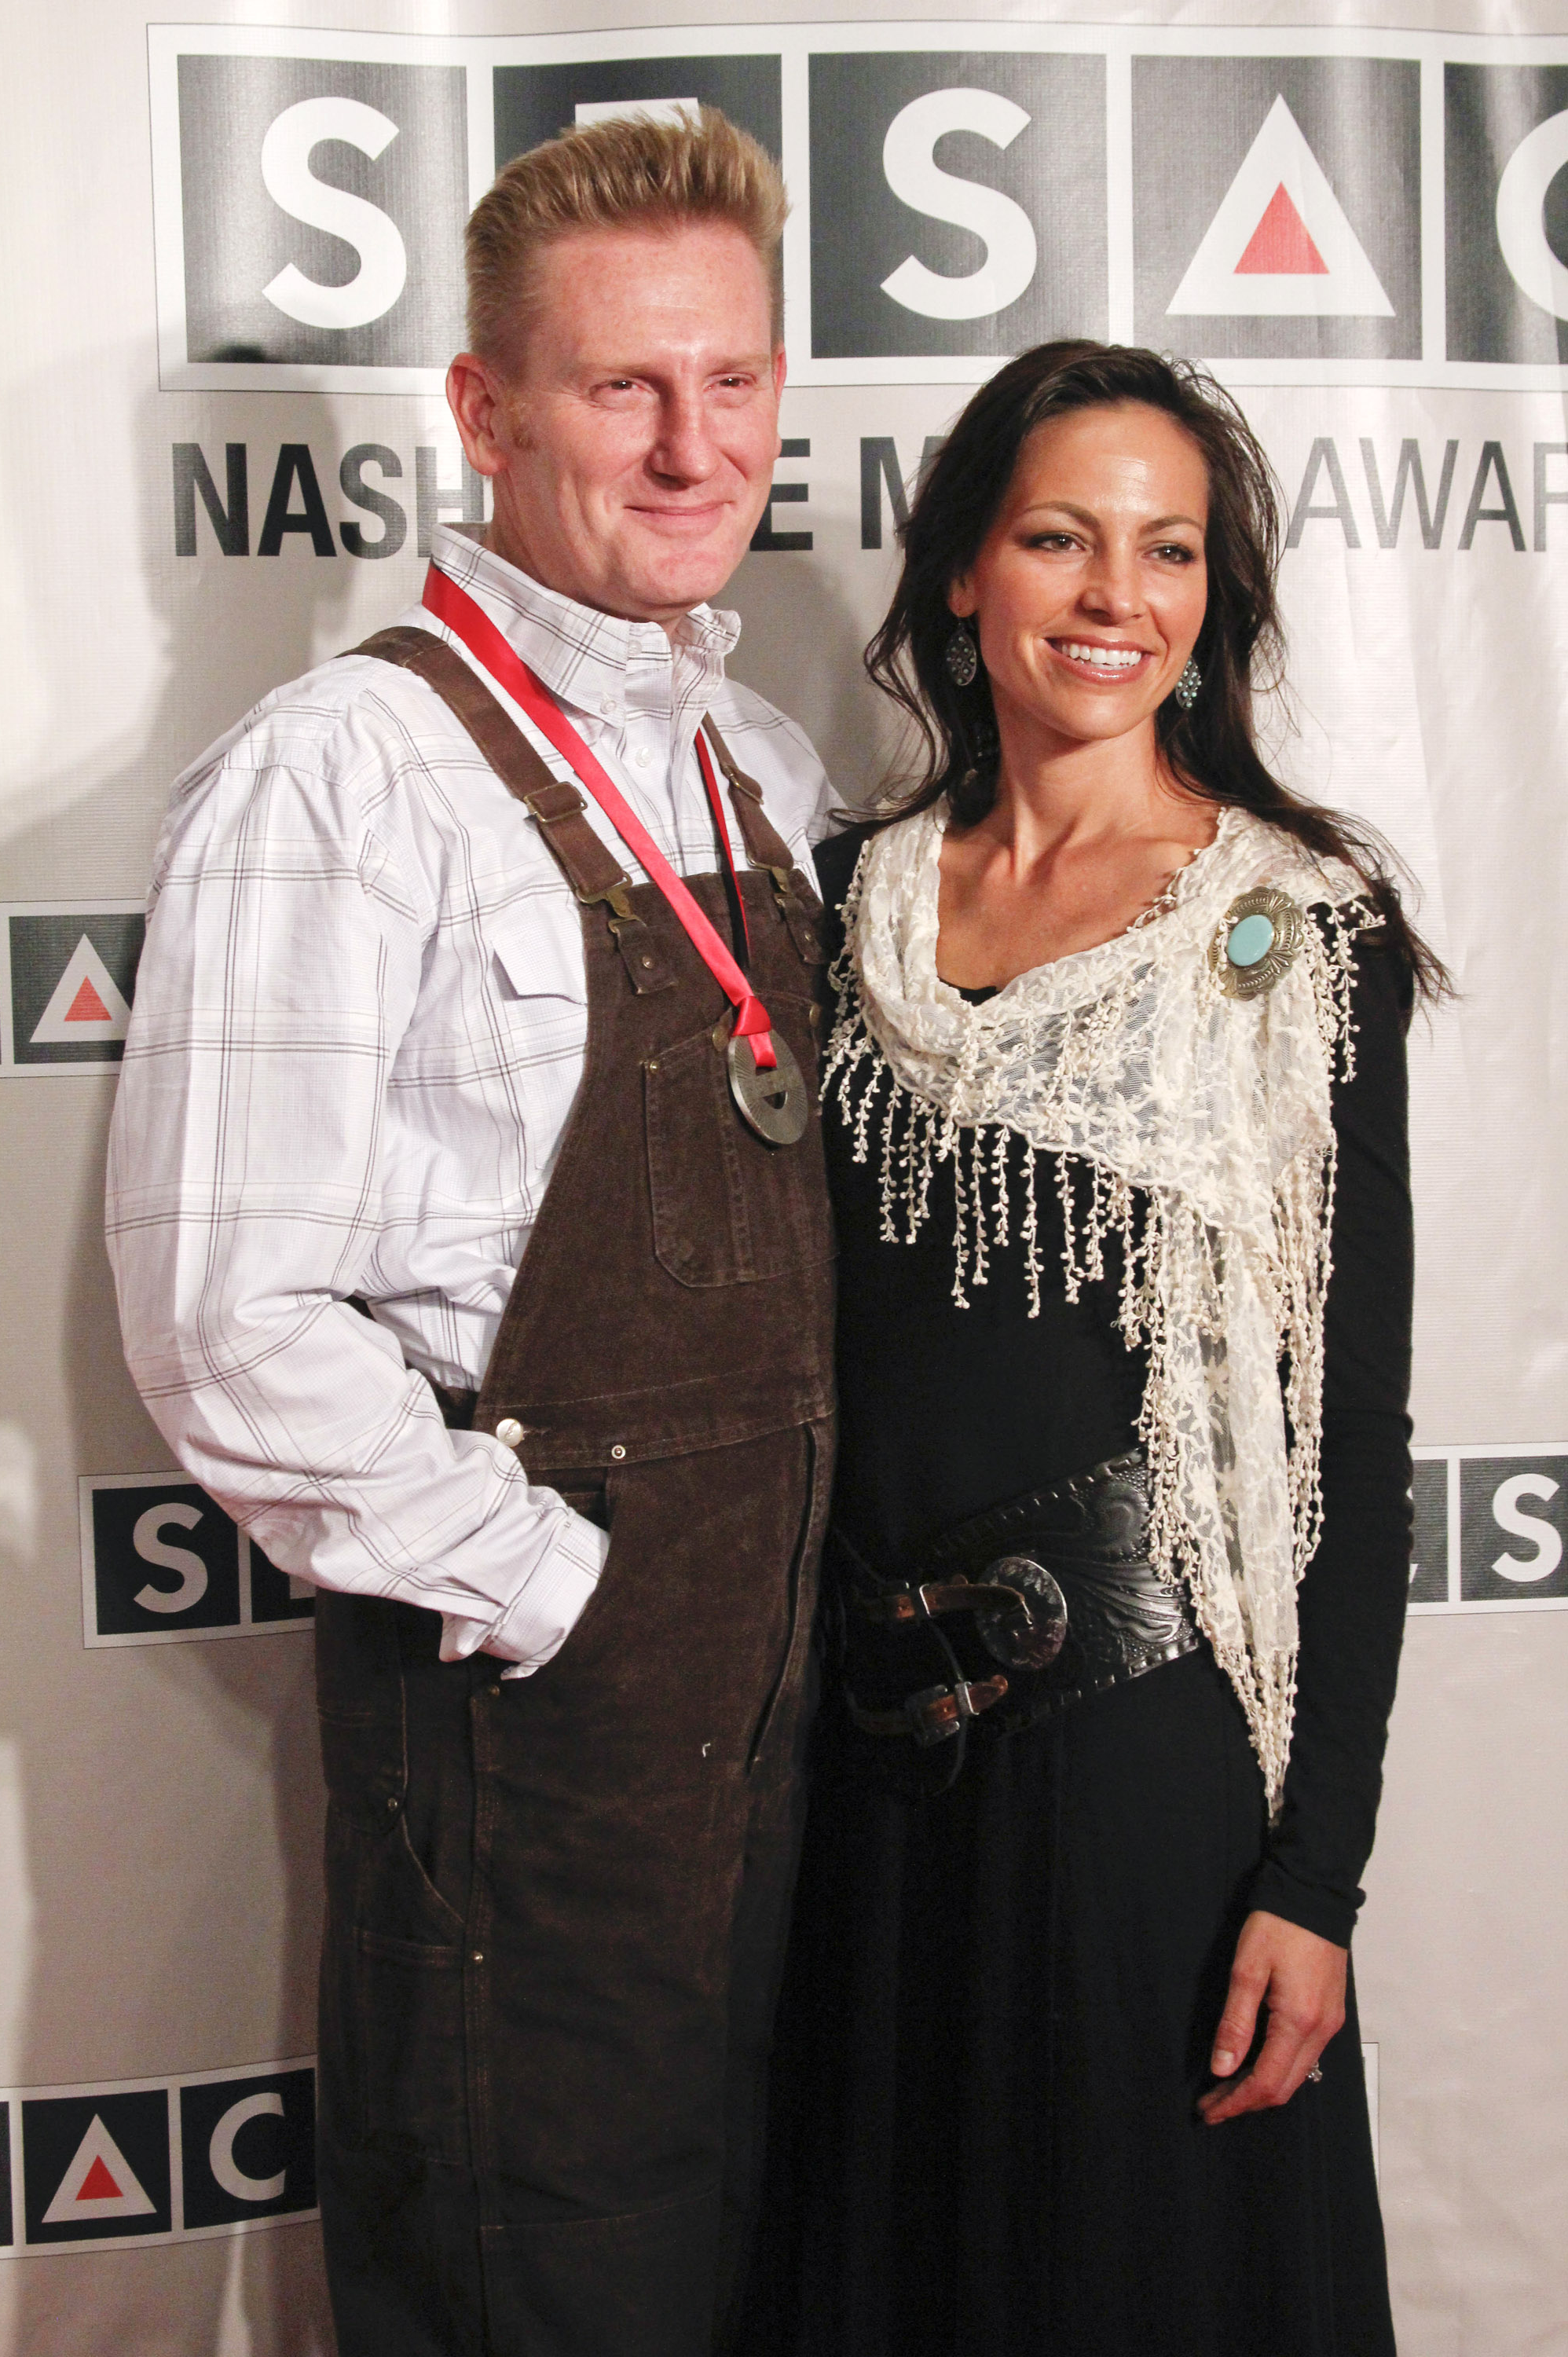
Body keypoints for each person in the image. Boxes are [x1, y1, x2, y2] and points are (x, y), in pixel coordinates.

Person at [107, 110, 837, 2357]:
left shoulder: (770, 770)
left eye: (730, 381)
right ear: (485, 410)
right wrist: (571, 1603)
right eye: (623, 386)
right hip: (538, 1761)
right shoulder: (345, 777)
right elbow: (228, 1315)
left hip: (788, 1738)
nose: (687, 441)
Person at [743, 342, 1440, 2356]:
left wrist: (1315, 1879)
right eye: (1058, 536)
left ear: (1214, 598)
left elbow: (1347, 1445)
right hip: (873, 1791)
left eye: (1168, 550)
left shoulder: (1299, 939)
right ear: (964, 569)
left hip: (1155, 1775)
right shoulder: (839, 909)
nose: (1113, 596)